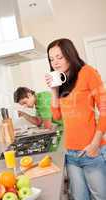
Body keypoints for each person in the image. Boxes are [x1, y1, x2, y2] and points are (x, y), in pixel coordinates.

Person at [45, 38, 106, 199]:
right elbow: (57, 116)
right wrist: (53, 90)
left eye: (59, 57)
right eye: (51, 59)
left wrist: (94, 144)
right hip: (71, 153)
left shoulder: (87, 72)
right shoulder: (61, 80)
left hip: (91, 151)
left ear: (69, 54)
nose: (55, 63)